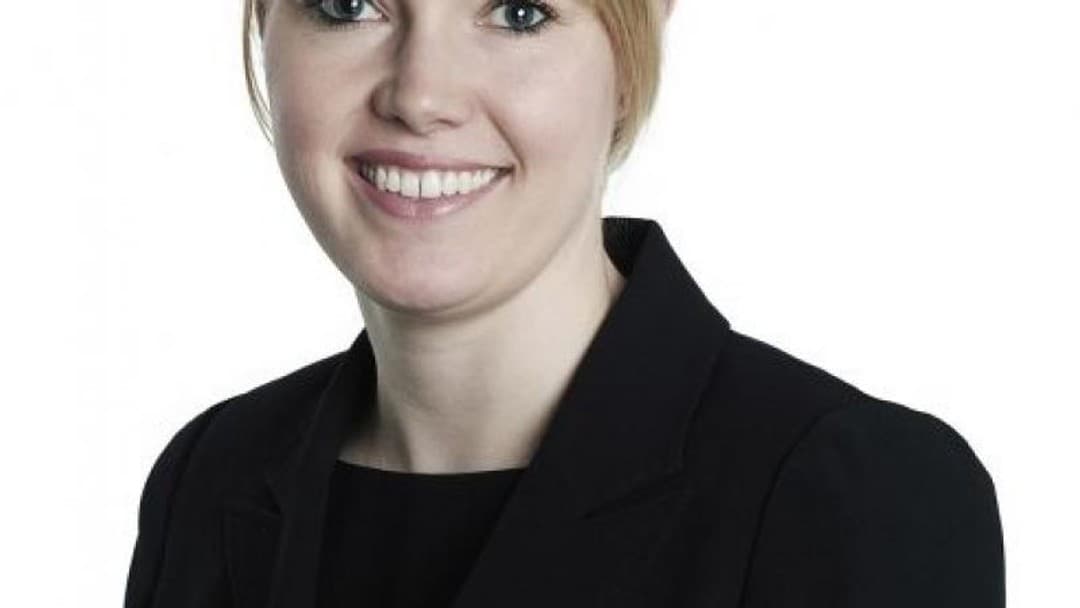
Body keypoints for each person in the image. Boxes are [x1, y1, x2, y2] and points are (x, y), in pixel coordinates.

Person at [123, 1, 1006, 606]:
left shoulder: (856, 495)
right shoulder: (209, 477)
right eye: (349, 4)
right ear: (265, 29)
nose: (420, 95)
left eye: (518, 12)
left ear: (630, 53)